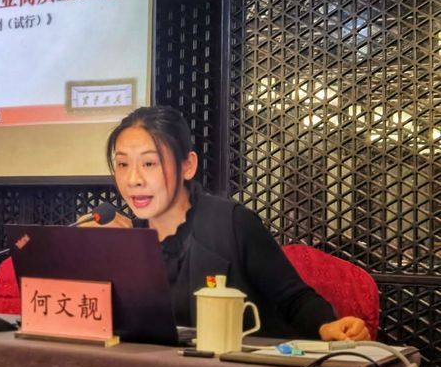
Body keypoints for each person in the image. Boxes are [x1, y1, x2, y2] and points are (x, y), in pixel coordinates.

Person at [102, 105, 369, 340]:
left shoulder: (231, 223)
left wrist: (328, 326)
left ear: (188, 166)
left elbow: (293, 300)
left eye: (149, 163)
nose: (133, 180)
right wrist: (92, 255)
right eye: (123, 165)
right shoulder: (126, 240)